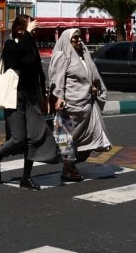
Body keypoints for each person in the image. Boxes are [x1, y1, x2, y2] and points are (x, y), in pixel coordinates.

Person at [0, 15, 57, 190]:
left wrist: (43, 96)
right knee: (18, 138)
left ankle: (26, 178)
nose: (33, 32)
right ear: (20, 29)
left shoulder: (30, 45)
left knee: (34, 136)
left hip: (32, 96)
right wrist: (27, 34)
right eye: (29, 28)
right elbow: (19, 61)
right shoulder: (10, 45)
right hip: (14, 95)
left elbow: (38, 71)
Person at [48, 28, 112, 182]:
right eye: (75, 38)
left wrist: (95, 86)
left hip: (87, 105)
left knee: (89, 137)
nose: (78, 41)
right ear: (67, 40)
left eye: (79, 38)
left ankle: (70, 164)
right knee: (66, 136)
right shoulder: (62, 56)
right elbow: (57, 79)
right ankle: (68, 167)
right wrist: (59, 97)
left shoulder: (84, 55)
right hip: (70, 105)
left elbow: (93, 76)